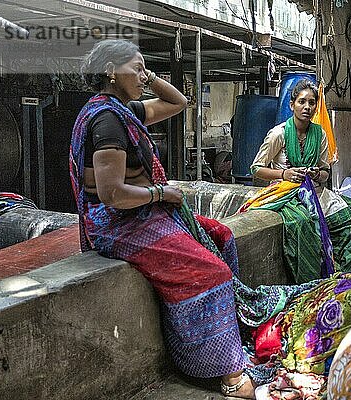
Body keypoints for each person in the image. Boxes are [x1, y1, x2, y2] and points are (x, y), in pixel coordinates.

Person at [69, 39, 254, 398]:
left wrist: (146, 75)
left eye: (144, 68)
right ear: (110, 71)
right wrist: (160, 194)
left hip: (144, 212)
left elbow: (178, 102)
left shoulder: (126, 109)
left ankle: (233, 330)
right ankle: (221, 368)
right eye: (135, 68)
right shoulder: (108, 120)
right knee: (211, 273)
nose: (143, 75)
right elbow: (112, 195)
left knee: (220, 236)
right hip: (120, 224)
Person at [244, 79, 351, 283]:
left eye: (311, 102)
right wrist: (284, 175)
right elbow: (256, 169)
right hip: (288, 194)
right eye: (302, 102)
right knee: (304, 224)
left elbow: (326, 172)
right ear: (292, 105)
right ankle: (312, 280)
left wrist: (317, 174)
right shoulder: (278, 134)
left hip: (317, 194)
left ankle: (347, 273)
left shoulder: (320, 134)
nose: (307, 107)